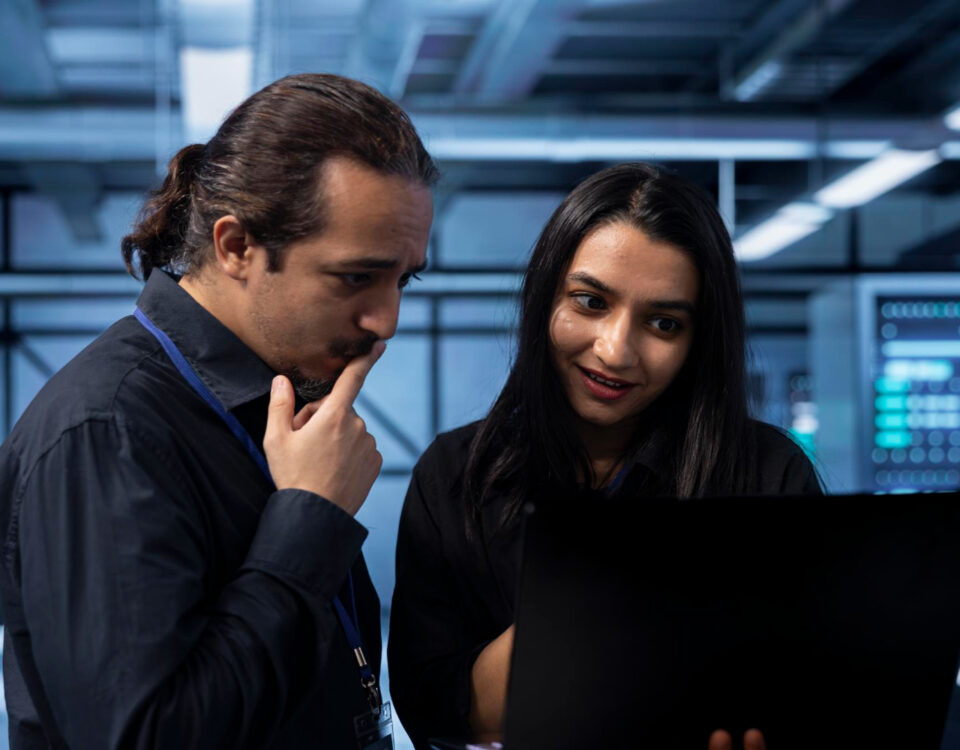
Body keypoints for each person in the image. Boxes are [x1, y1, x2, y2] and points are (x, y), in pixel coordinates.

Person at [0, 73, 437, 749]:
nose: (386, 320)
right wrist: (309, 525)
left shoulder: (277, 414)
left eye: (402, 280)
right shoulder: (110, 430)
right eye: (356, 277)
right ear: (236, 247)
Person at [388, 163, 821, 749]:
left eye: (663, 323)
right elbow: (432, 712)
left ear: (698, 342)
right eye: (590, 302)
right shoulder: (455, 474)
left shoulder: (768, 472)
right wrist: (599, 590)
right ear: (545, 299)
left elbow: (815, 695)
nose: (616, 352)